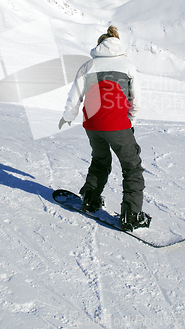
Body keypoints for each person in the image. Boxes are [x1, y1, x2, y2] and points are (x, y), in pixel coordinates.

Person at [59, 25, 151, 231]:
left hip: (92, 124)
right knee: (132, 166)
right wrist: (130, 122)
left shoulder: (88, 65)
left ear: (99, 45)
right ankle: (132, 215)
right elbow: (136, 101)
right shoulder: (128, 65)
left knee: (100, 160)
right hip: (117, 124)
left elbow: (74, 98)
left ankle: (90, 199)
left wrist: (68, 117)